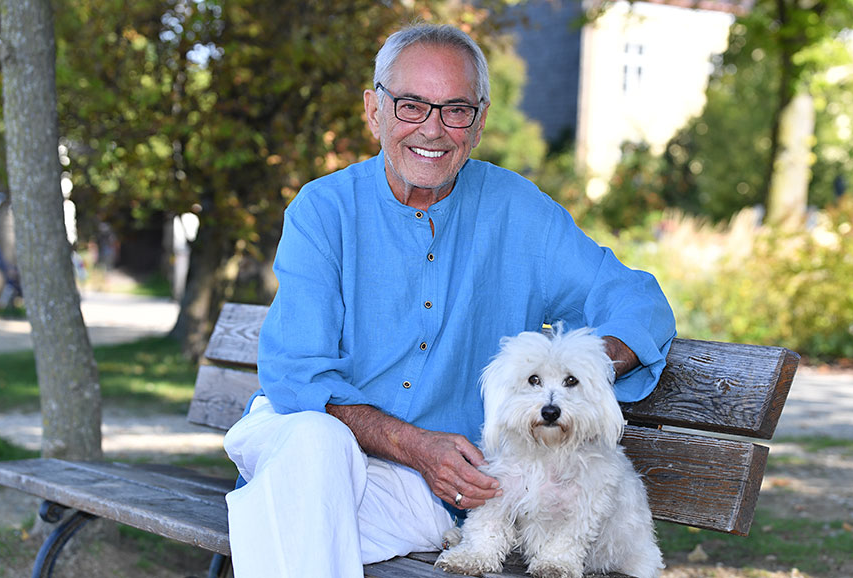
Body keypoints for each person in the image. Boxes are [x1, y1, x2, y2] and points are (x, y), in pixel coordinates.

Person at [223, 23, 676, 578]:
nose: (433, 130)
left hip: (424, 495)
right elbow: (297, 375)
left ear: (479, 122)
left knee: (292, 527)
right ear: (374, 111)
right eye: (412, 106)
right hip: (300, 444)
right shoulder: (323, 211)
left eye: (455, 109)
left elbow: (638, 300)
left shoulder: (519, 211)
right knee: (315, 447)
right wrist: (412, 444)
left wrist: (587, 369)